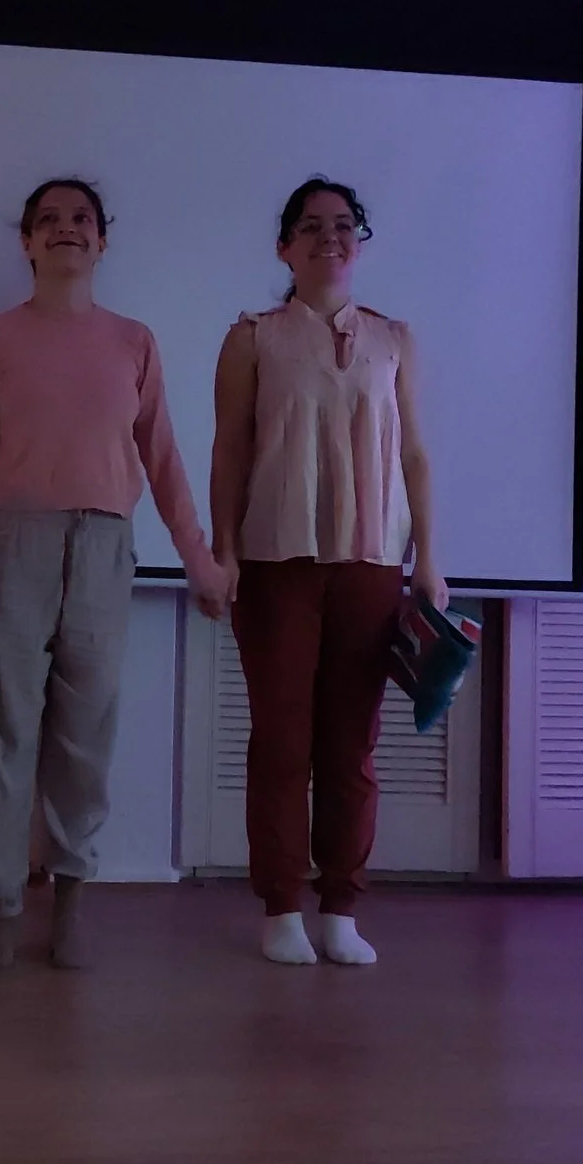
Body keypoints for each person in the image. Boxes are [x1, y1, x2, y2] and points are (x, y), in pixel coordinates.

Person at [0, 179, 228, 971]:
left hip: (103, 547)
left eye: (80, 219)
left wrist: (202, 560)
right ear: (25, 242)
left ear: (103, 241)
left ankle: (73, 898)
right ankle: (2, 905)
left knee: (85, 737)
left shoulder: (134, 341)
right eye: (47, 221)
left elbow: (163, 460)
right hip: (14, 542)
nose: (65, 231)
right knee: (8, 728)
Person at [209, 177, 445, 968]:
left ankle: (340, 906)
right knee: (281, 741)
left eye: (343, 226)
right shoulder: (251, 336)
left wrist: (431, 562)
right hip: (277, 561)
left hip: (373, 562)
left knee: (351, 746)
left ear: (360, 241)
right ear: (285, 246)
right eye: (310, 227)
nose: (329, 238)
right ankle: (281, 906)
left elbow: (414, 451)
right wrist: (223, 547)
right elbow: (231, 450)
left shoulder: (395, 339)